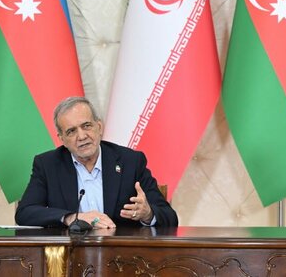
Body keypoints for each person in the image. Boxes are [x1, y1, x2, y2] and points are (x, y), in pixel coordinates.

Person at [15, 96, 178, 228]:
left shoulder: (130, 161)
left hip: (121, 253)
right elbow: (25, 212)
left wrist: (148, 214)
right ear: (62, 139)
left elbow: (170, 217)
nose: (81, 136)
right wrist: (71, 218)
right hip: (70, 252)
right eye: (71, 131)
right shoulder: (47, 165)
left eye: (86, 126)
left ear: (99, 127)